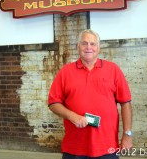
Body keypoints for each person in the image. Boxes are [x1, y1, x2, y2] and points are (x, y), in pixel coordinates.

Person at [48, 29, 133, 159]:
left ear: (98, 48)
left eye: (93, 44)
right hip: (75, 147)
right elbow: (53, 103)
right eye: (84, 43)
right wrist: (72, 116)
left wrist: (127, 134)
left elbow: (125, 103)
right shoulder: (66, 72)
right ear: (78, 47)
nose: (89, 47)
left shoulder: (113, 69)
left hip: (107, 146)